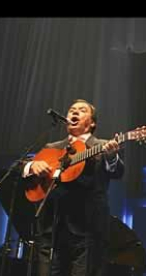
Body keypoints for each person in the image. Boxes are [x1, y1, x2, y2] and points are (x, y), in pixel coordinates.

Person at [22, 99, 124, 276]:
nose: (74, 112)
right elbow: (21, 166)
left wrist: (112, 157)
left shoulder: (103, 145)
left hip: (86, 230)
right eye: (72, 110)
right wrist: (32, 166)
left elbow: (117, 172)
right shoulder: (51, 148)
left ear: (92, 123)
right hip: (50, 230)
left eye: (82, 110)